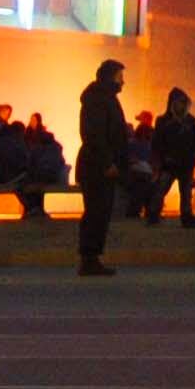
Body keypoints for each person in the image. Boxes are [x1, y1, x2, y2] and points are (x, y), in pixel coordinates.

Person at [74, 58, 132, 279]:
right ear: (110, 78)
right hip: (97, 167)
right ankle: (89, 258)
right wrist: (108, 162)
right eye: (119, 77)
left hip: (100, 165)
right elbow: (96, 135)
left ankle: (92, 257)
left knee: (100, 212)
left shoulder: (103, 98)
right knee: (96, 212)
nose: (122, 82)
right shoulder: (99, 100)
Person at [152, 87, 195, 232]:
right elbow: (157, 142)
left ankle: (186, 217)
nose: (182, 105)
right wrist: (162, 158)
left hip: (186, 164)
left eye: (183, 102)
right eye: (179, 102)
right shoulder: (163, 121)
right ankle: (154, 214)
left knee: (185, 192)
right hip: (169, 163)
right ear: (172, 103)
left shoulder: (190, 121)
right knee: (161, 190)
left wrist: (193, 156)